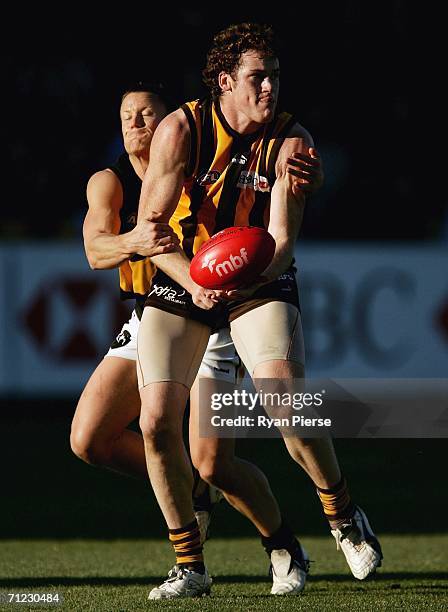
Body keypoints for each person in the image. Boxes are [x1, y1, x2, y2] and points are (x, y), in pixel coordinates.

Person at [136, 23, 382, 599]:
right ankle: (191, 568)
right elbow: (150, 231)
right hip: (182, 276)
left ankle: (343, 514)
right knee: (156, 425)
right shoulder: (181, 130)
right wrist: (196, 285)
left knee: (286, 405)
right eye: (257, 77)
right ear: (225, 81)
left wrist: (238, 280)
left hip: (259, 274)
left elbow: (279, 242)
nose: (270, 86)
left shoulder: (292, 142)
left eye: (275, 74)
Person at [69, 81, 323, 544]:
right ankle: (192, 492)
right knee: (89, 439)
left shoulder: (202, 161)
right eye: (126, 116)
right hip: (153, 311)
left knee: (215, 462)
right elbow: (95, 250)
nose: (135, 124)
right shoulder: (111, 180)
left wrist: (304, 179)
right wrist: (135, 241)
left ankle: (280, 542)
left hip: (211, 310)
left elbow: (263, 200)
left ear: (171, 122)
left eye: (147, 114)